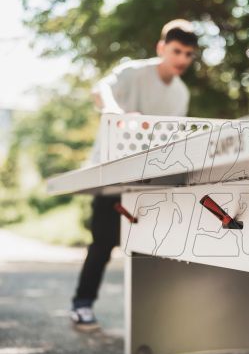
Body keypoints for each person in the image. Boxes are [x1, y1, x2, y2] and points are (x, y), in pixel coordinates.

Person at [70, 19, 198, 330]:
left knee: (155, 243)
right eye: (177, 51)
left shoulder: (180, 93)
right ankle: (82, 305)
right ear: (161, 48)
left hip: (148, 176)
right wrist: (114, 110)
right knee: (103, 241)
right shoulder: (133, 72)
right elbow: (99, 89)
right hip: (110, 170)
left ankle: (154, 321)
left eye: (189, 54)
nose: (182, 59)